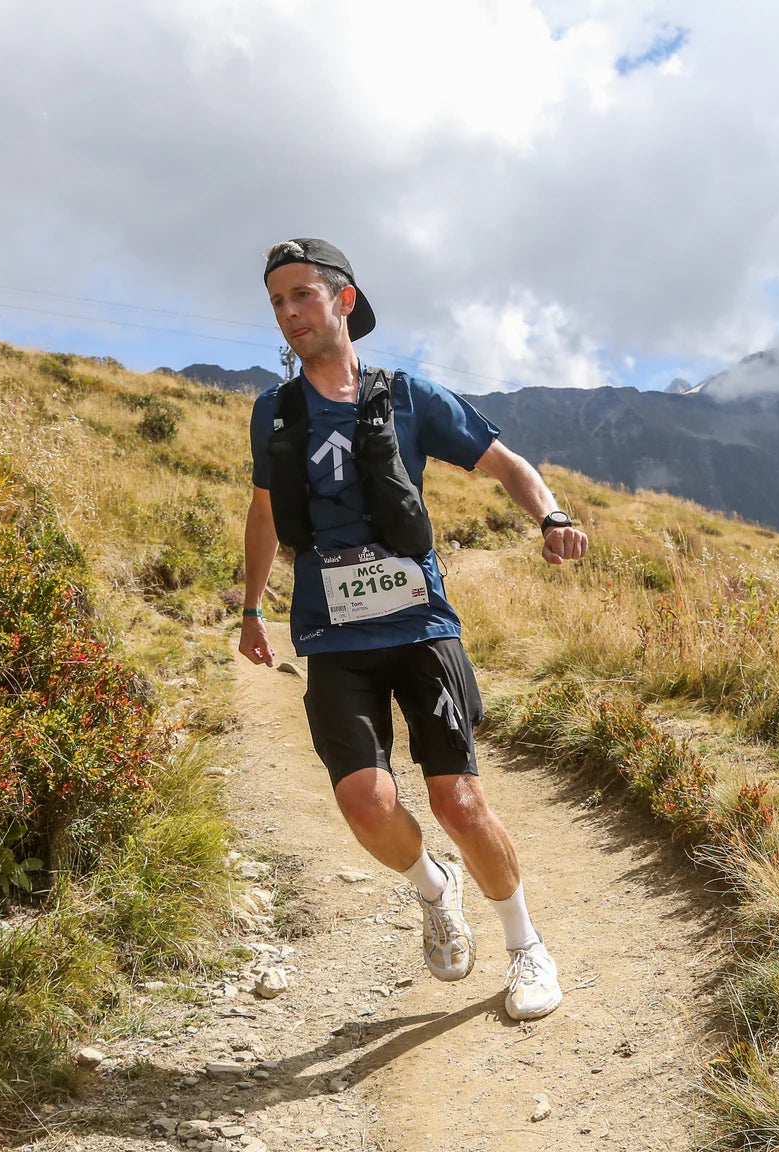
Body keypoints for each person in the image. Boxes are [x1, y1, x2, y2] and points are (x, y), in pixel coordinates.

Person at [238, 238, 589, 1021]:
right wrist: (253, 608)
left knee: (459, 801)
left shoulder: (409, 396)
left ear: (344, 301)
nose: (290, 314)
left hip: (421, 624)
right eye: (276, 303)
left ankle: (527, 946)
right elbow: (264, 512)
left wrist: (552, 516)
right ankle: (435, 888)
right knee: (365, 801)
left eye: (302, 295)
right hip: (332, 636)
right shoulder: (275, 412)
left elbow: (507, 464)